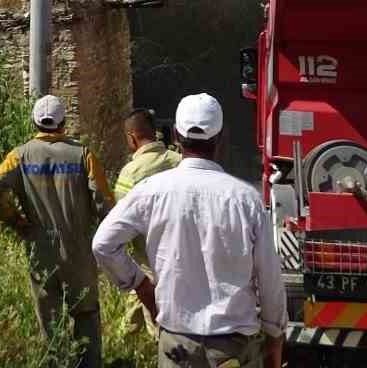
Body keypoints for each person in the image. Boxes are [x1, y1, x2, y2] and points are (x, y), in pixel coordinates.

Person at [92, 94, 286, 368]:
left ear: (174, 136)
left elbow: (103, 244)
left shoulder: (151, 191)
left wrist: (141, 284)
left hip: (176, 347)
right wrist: (275, 338)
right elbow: (270, 280)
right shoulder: (246, 200)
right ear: (221, 139)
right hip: (234, 348)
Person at [0, 94, 113, 368]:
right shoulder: (83, 155)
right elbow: (104, 201)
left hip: (39, 248)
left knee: (50, 321)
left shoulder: (18, 156)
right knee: (86, 314)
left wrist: (16, 221)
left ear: (35, 122)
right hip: (78, 248)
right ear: (63, 122)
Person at [113, 108, 182, 332]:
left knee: (161, 336)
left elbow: (121, 228)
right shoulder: (179, 162)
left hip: (149, 270)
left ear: (132, 137)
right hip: (184, 264)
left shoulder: (130, 174)